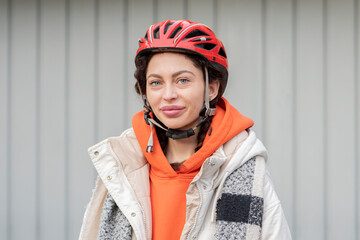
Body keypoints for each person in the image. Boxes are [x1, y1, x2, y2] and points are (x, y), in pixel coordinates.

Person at [79, 19, 292, 240]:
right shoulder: (120, 167)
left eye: (182, 80)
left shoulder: (243, 169)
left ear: (211, 89)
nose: (168, 94)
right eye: (155, 83)